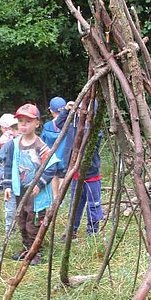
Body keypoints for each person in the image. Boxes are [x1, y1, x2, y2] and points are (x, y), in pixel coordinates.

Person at [2, 103, 60, 265]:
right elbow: (9, 165)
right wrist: (7, 186)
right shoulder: (14, 144)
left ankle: (35, 252)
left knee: (34, 221)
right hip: (20, 190)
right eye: (20, 121)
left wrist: (39, 185)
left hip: (35, 193)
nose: (23, 125)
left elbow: (51, 167)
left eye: (28, 121)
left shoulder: (40, 146)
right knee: (21, 218)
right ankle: (26, 247)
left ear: (36, 123)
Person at [59, 100, 104, 241]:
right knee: (75, 203)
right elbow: (60, 124)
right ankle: (71, 231)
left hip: (91, 174)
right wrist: (67, 111)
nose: (79, 111)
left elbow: (90, 139)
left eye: (83, 109)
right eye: (79, 109)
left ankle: (93, 232)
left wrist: (84, 122)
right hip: (75, 173)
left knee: (93, 204)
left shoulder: (95, 129)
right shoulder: (73, 124)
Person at [41, 96, 68, 199]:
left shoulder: (47, 126)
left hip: (51, 158)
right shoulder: (67, 125)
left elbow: (42, 141)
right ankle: (61, 198)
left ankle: (55, 196)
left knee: (53, 177)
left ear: (51, 110)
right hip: (64, 158)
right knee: (63, 177)